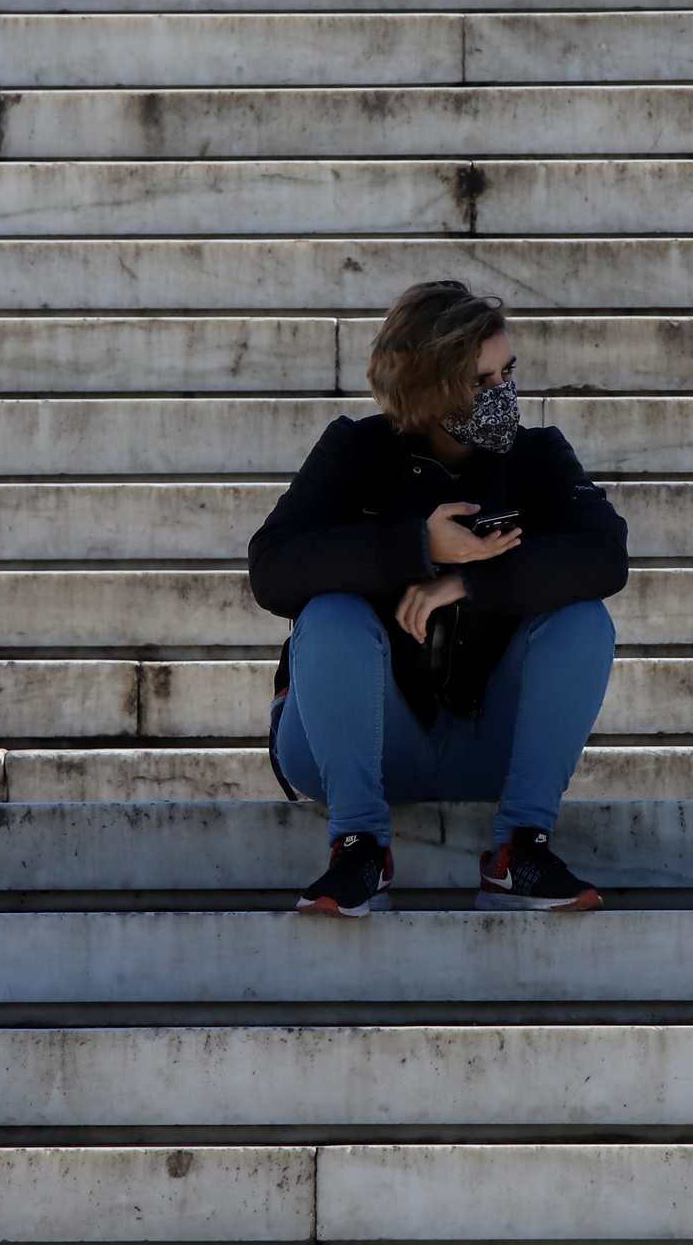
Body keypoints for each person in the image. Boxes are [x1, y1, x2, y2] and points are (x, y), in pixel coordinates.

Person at [248, 281, 628, 917]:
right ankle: (360, 848)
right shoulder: (357, 451)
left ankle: (518, 852)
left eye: (508, 372)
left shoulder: (536, 457)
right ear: (428, 388)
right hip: (352, 743)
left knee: (583, 618)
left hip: (489, 744)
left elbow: (604, 556)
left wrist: (470, 580)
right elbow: (272, 568)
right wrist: (416, 548)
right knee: (329, 612)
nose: (504, 393)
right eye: (483, 381)